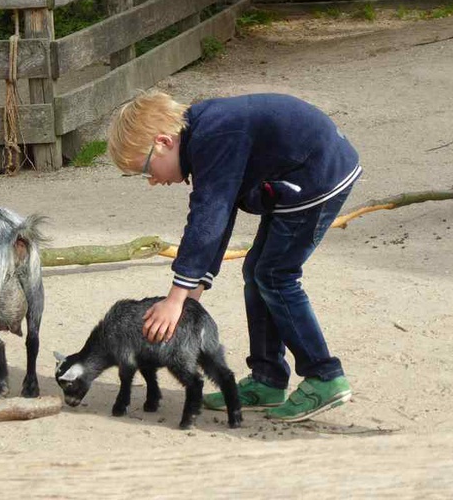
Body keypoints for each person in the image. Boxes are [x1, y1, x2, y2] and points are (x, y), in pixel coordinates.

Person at [107, 91, 362, 422]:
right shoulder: (205, 135)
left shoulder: (214, 135)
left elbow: (209, 217)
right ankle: (268, 378)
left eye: (146, 170)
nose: (153, 181)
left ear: (163, 142)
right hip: (300, 175)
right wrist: (190, 296)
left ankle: (324, 376)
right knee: (257, 271)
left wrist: (175, 298)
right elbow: (220, 216)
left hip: (317, 175)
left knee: (275, 274)